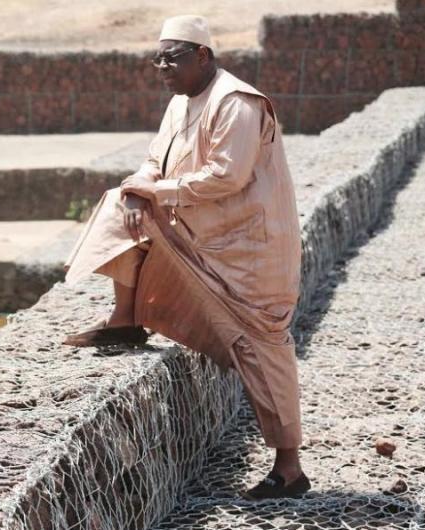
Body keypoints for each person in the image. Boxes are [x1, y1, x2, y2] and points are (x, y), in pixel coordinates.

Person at [61, 14, 311, 500]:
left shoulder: (236, 102)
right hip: (202, 232)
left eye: (172, 57)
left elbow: (226, 177)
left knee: (261, 347)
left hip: (248, 250)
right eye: (157, 59)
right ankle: (124, 319)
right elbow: (154, 162)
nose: (162, 67)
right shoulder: (181, 103)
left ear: (204, 56)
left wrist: (158, 194)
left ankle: (289, 468)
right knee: (120, 202)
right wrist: (139, 190)